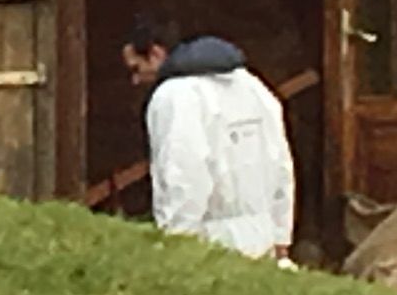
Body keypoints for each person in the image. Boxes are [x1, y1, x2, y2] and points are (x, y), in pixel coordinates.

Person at [118, 23, 297, 259]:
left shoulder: (173, 96)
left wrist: (178, 241)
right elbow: (281, 164)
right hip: (262, 240)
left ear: (155, 54)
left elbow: (184, 172)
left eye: (136, 67)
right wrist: (281, 236)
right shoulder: (253, 85)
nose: (135, 79)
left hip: (213, 244)